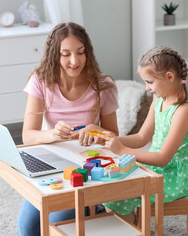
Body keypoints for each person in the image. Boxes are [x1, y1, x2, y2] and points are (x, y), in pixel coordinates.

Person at [18, 22, 119, 236]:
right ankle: (91, 209)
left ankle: (94, 206)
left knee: (57, 223)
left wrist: (95, 130)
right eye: (66, 54)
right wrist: (52, 134)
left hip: (83, 169)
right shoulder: (40, 81)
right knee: (28, 229)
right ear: (55, 54)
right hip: (51, 163)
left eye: (80, 53)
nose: (75, 61)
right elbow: (28, 135)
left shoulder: (103, 85)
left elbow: (114, 137)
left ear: (88, 53)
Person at [97, 46, 188, 223]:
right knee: (110, 185)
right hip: (156, 169)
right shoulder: (159, 100)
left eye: (150, 82)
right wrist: (111, 139)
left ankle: (134, 230)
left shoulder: (183, 111)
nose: (146, 88)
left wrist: (121, 150)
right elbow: (140, 138)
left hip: (174, 177)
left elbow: (162, 158)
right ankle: (134, 228)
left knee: (117, 197)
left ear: (169, 77)